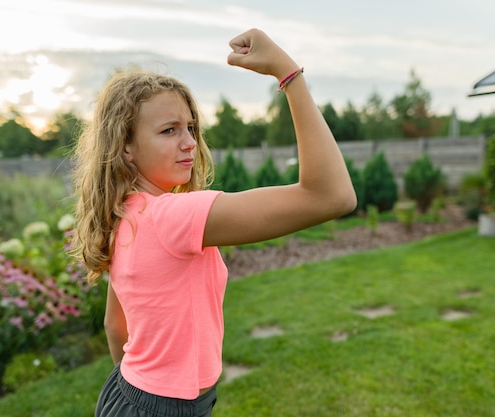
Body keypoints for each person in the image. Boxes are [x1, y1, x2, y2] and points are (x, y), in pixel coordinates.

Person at [71, 28, 357, 417]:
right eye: (169, 130)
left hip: (129, 395)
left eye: (190, 127)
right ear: (125, 146)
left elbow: (116, 326)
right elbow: (331, 196)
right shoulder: (174, 216)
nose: (189, 142)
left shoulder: (126, 213)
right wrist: (288, 74)